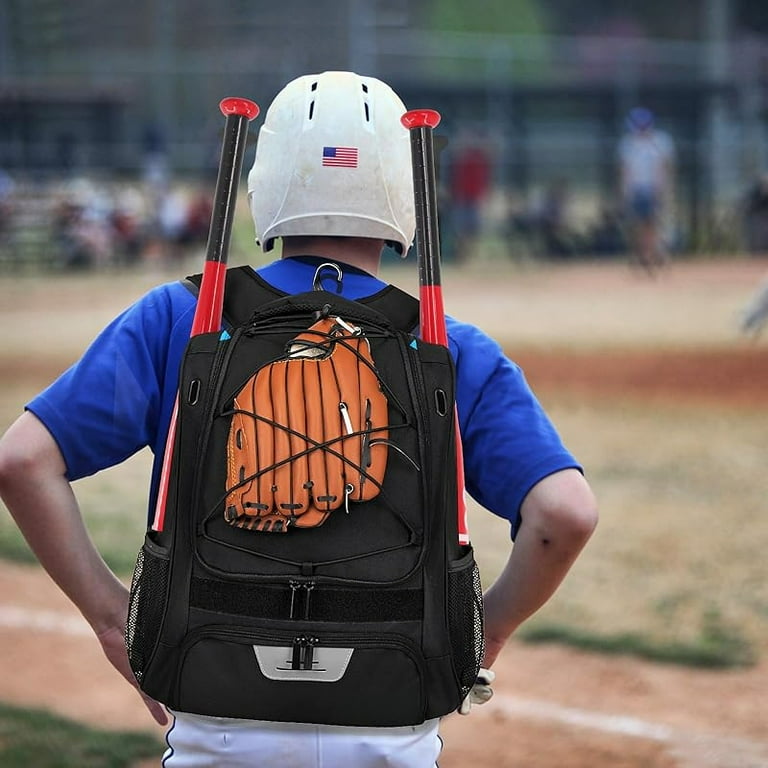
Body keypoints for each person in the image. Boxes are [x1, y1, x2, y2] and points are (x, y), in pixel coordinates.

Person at [0, 71, 598, 767]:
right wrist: (480, 635)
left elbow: (22, 461)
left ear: (270, 181)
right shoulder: (449, 349)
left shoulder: (178, 320)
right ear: (403, 193)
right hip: (390, 721)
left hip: (215, 717)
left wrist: (113, 619)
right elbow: (565, 515)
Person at [618, 106, 676, 274]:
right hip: (636, 189)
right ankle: (644, 255)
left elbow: (665, 168)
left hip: (654, 189)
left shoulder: (661, 141)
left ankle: (654, 254)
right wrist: (625, 192)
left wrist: (665, 190)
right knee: (638, 225)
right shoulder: (628, 143)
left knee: (653, 224)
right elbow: (625, 170)